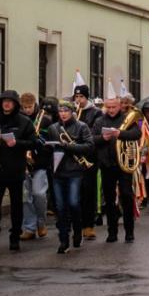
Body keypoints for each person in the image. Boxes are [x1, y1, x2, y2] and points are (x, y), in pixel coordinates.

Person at [0, 89, 36, 253]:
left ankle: (15, 237)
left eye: (10, 101)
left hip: (15, 169)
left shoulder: (24, 121)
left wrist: (17, 143)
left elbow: (33, 142)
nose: (6, 104)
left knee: (16, 205)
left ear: (15, 104)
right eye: (4, 101)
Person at [92, 92, 141, 243]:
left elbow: (137, 133)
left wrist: (120, 133)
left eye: (114, 107)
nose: (111, 110)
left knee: (126, 196)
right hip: (106, 165)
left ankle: (129, 231)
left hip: (124, 163)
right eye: (108, 107)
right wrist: (102, 138)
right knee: (109, 199)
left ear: (119, 106)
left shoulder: (127, 118)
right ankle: (112, 232)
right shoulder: (99, 121)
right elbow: (92, 139)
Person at [46, 99, 94, 253]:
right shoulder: (53, 128)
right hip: (58, 171)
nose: (63, 114)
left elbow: (89, 146)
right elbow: (48, 148)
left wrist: (69, 146)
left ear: (72, 112)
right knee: (60, 207)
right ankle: (63, 239)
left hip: (75, 170)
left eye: (66, 111)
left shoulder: (81, 126)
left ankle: (78, 230)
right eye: (60, 111)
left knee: (73, 202)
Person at [19, 92, 51, 241]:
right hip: (23, 163)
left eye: (29, 107)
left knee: (39, 194)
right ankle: (29, 228)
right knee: (26, 197)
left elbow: (49, 142)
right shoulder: (19, 119)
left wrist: (39, 141)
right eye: (24, 107)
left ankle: (41, 222)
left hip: (40, 163)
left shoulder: (44, 120)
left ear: (35, 105)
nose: (27, 110)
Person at [73, 83, 102, 239]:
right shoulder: (70, 111)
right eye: (76, 97)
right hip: (73, 158)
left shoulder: (96, 113)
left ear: (87, 97)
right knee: (74, 193)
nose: (79, 100)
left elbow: (93, 133)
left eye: (81, 97)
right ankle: (76, 225)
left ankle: (88, 225)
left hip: (89, 157)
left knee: (88, 192)